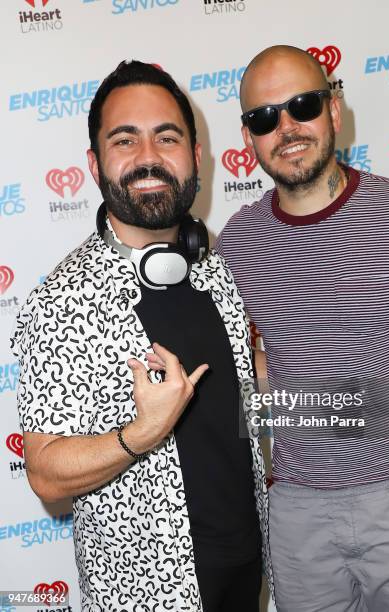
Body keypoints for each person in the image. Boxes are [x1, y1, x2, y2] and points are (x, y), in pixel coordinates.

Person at [216, 45, 389, 612]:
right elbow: (249, 371)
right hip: (297, 517)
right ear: (248, 140)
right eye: (265, 118)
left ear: (334, 111)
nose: (286, 127)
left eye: (303, 105)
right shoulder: (238, 244)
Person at [11, 61, 273, 612]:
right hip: (148, 594)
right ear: (94, 163)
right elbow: (44, 473)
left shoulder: (219, 269)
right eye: (124, 140)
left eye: (167, 137)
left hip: (251, 572)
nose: (148, 157)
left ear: (196, 157)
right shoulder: (62, 299)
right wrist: (141, 432)